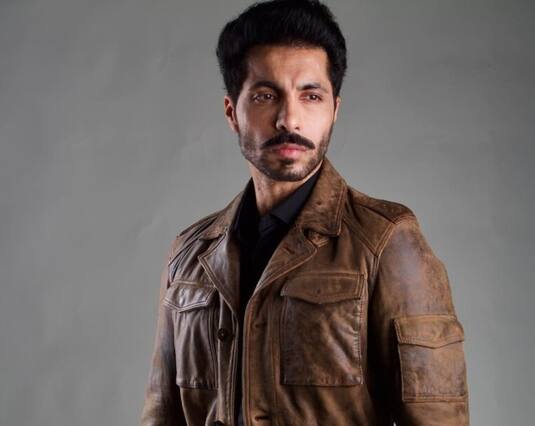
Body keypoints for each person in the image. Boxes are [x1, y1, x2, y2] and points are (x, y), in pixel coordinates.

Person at [140, 1, 469, 425]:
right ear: (232, 113)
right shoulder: (188, 255)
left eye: (311, 96)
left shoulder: (387, 241)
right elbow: (161, 412)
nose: (289, 119)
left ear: (334, 110)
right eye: (265, 96)